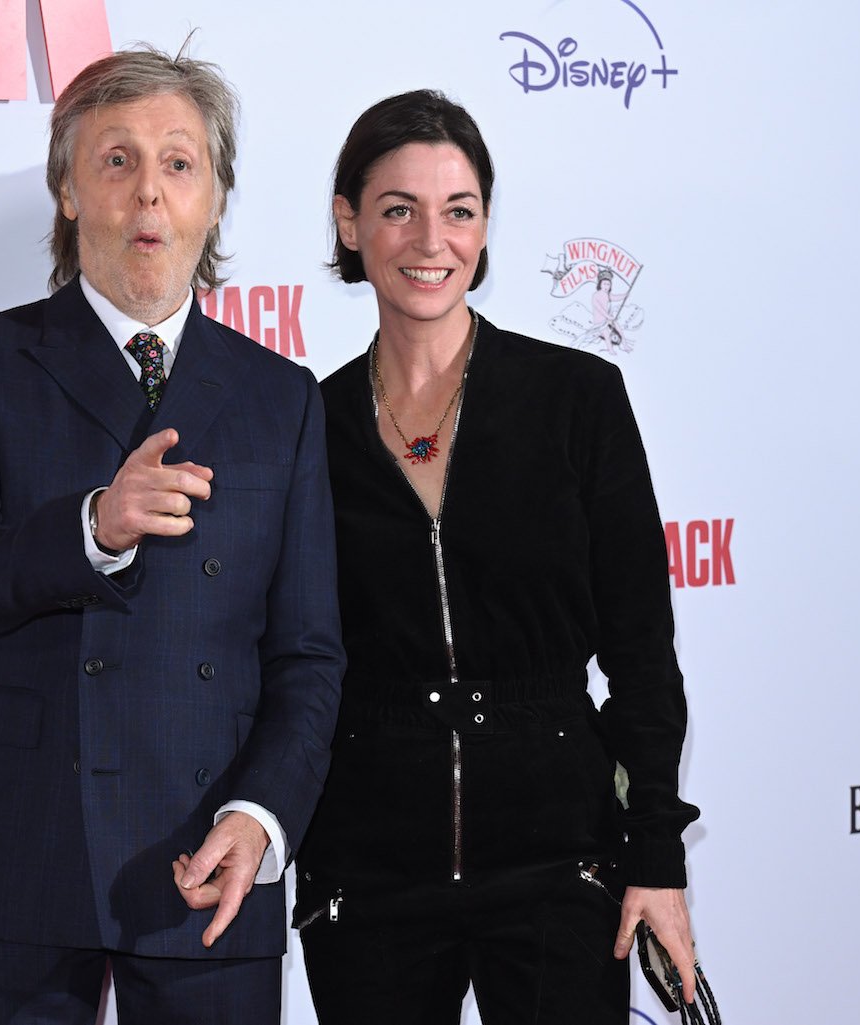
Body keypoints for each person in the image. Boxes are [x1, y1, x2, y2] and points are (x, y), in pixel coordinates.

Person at [0, 45, 344, 1025]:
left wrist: (260, 815)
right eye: (116, 159)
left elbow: (309, 655)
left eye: (179, 163)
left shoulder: (283, 399)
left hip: (208, 852)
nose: (149, 190)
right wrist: (94, 526)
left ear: (216, 197)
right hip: (19, 839)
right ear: (67, 188)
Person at [294, 89, 700, 1024]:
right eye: (397, 209)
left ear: (484, 227)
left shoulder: (577, 401)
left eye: (458, 210)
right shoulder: (305, 427)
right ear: (350, 225)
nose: (430, 240)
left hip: (560, 860)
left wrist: (657, 858)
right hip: (370, 870)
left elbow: (641, 654)